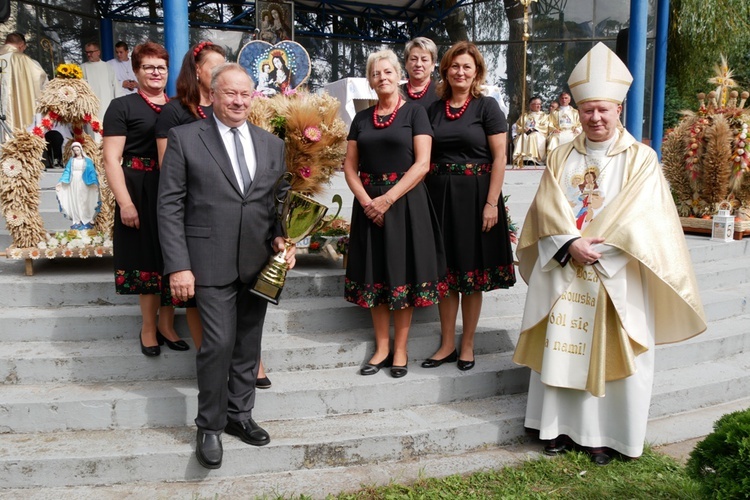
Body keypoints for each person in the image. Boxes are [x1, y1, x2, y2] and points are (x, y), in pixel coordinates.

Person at [513, 42, 706, 465]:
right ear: (577, 111)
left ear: (618, 107)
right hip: (565, 264)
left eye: (603, 109)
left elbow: (645, 217)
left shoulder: (641, 159)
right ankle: (557, 427)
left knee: (608, 349)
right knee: (562, 345)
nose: (595, 118)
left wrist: (596, 250)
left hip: (615, 270)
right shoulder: (561, 154)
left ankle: (604, 435)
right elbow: (546, 208)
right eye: (587, 110)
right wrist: (568, 243)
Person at [158, 63, 293, 469]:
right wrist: (178, 265)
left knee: (248, 345)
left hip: (259, 264)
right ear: (213, 94)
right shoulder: (185, 138)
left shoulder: (272, 144)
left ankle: (240, 416)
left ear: (253, 97)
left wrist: (282, 238)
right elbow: (169, 205)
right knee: (217, 344)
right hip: (207, 262)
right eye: (229, 93)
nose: (237, 100)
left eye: (244, 93)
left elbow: (276, 203)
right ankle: (210, 426)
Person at [344, 49, 446, 379]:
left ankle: (401, 349)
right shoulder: (361, 119)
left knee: (401, 276)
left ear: (398, 75)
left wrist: (386, 199)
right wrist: (366, 202)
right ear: (370, 80)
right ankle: (382, 347)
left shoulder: (415, 112)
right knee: (375, 276)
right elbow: (349, 166)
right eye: (376, 73)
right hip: (368, 206)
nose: (382, 78)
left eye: (388, 72)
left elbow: (422, 164)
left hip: (404, 203)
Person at [421, 41, 516, 371]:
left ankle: (468, 345)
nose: (460, 72)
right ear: (445, 69)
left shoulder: (487, 107)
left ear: (476, 72)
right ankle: (447, 343)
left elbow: (500, 157)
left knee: (471, 276)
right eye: (455, 66)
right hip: (438, 198)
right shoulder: (433, 110)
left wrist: (492, 202)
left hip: (477, 198)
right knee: (446, 274)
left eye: (467, 67)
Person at [103, 41, 188, 358]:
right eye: (149, 67)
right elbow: (112, 159)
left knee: (172, 259)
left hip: (174, 190)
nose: (156, 73)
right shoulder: (122, 107)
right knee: (146, 262)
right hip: (137, 190)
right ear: (136, 71)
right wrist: (125, 202)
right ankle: (148, 327)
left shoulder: (179, 107)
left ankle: (168, 324)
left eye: (161, 67)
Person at [0, 32, 48, 135]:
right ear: (21, 45)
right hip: (20, 118)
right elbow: (42, 84)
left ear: (5, 42)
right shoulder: (27, 61)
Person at [56, 141, 100, 229]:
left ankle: (87, 218)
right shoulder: (71, 161)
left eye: (77, 150)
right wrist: (61, 182)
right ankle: (77, 220)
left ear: (81, 149)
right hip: (74, 182)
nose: (76, 152)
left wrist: (94, 182)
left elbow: (91, 172)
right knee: (75, 200)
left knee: (84, 200)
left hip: (84, 183)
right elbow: (67, 172)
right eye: (74, 150)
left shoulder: (87, 161)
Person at [82, 41, 120, 124]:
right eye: (87, 52)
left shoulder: (108, 67)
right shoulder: (82, 68)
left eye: (91, 52)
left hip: (107, 104)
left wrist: (118, 106)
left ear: (98, 52)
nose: (88, 55)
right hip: (90, 108)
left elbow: (116, 87)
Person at [401, 37, 439, 108]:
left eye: (424, 60)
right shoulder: (396, 92)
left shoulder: (441, 93)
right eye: (413, 59)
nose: (418, 64)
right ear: (406, 63)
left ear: (433, 65)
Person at [512, 95, 549, 165]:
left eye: (539, 104)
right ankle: (520, 158)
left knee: (533, 135)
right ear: (531, 105)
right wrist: (524, 129)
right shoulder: (525, 116)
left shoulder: (544, 115)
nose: (538, 106)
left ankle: (533, 158)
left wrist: (534, 129)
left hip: (538, 134)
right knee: (522, 137)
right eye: (536, 104)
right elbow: (518, 126)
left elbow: (545, 126)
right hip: (526, 133)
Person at [547, 91, 581, 156]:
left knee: (578, 139)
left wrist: (578, 129)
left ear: (569, 100)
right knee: (553, 139)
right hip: (559, 132)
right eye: (562, 98)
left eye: (566, 98)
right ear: (559, 100)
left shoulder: (575, 112)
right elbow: (550, 123)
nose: (564, 100)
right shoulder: (554, 112)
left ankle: (574, 157)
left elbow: (580, 123)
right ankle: (553, 158)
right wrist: (553, 129)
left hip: (572, 132)